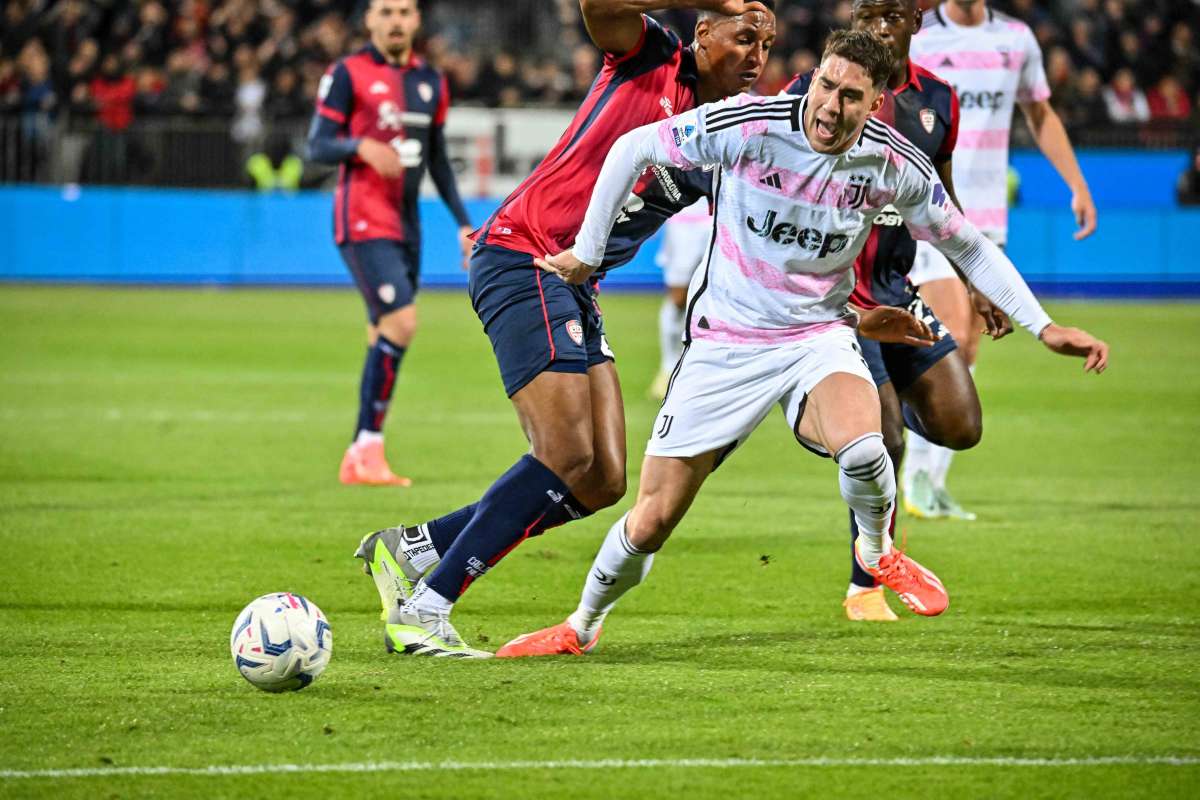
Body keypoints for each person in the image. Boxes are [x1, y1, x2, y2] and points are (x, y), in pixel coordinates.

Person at [496, 29, 1109, 658]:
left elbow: (969, 246)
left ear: (875, 105)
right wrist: (588, 252)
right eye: (826, 86)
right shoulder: (750, 127)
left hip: (817, 336)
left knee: (867, 446)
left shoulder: (893, 164)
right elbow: (632, 148)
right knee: (652, 518)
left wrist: (1044, 326)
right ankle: (581, 625)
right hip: (725, 343)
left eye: (851, 97)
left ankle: (876, 552)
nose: (831, 107)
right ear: (812, 79)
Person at [354, 0, 779, 658]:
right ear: (704, 32)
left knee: (602, 479)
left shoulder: (725, 139)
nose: (755, 55)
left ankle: (415, 547)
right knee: (563, 453)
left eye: (766, 45)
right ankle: (426, 607)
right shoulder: (652, 56)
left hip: (577, 284)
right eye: (743, 36)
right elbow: (597, 5)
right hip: (525, 255)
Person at [787, 0, 1009, 621]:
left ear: (917, 19)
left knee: (961, 426)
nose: (879, 26)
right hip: (833, 300)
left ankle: (852, 430)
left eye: (893, 14)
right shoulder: (815, 90)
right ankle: (865, 584)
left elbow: (944, 202)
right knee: (883, 435)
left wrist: (974, 281)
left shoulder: (937, 100)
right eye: (869, 13)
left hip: (894, 290)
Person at [902, 0, 1097, 519]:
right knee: (951, 330)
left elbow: (1040, 112)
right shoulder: (920, 36)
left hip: (987, 216)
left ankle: (931, 479)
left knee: (970, 342)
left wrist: (1077, 184)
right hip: (931, 206)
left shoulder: (1016, 39)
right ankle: (914, 475)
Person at [306, 0, 473, 486]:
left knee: (383, 331)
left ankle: (360, 456)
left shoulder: (431, 81)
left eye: (403, 12)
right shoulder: (347, 73)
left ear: (416, 20)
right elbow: (317, 144)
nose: (395, 21)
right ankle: (368, 445)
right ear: (369, 21)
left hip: (406, 224)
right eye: (385, 12)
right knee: (401, 323)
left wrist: (463, 223)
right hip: (362, 218)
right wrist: (359, 145)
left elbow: (437, 159)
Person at [649, 197, 711, 400]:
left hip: (721, 217)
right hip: (684, 220)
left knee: (718, 293)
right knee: (678, 298)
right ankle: (668, 367)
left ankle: (706, 370)